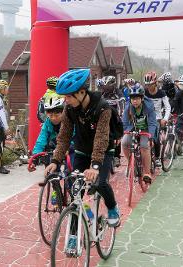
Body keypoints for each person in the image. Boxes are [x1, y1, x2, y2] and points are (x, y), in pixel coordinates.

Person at [44, 69, 120, 230]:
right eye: (64, 96)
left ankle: (112, 207)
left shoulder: (102, 108)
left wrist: (95, 166)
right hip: (81, 149)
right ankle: (74, 232)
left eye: (69, 96)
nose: (66, 100)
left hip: (103, 151)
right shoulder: (70, 109)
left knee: (99, 182)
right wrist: (56, 160)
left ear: (82, 92)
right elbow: (64, 136)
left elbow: (101, 138)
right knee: (75, 191)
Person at [121, 83, 157, 183]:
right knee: (124, 142)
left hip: (146, 129)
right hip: (133, 128)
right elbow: (124, 121)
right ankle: (131, 163)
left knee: (144, 146)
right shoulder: (128, 106)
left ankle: (147, 173)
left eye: (137, 98)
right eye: (132, 99)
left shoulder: (149, 107)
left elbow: (153, 123)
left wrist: (151, 136)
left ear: (142, 98)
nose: (135, 101)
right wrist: (123, 132)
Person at [144, 71, 171, 167]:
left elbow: (168, 107)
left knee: (155, 138)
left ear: (155, 83)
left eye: (150, 84)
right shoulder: (144, 92)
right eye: (147, 85)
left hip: (157, 118)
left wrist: (165, 118)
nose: (148, 87)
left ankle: (157, 157)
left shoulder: (161, 93)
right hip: (145, 117)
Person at [97, 76, 124, 167]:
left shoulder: (118, 93)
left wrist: (119, 116)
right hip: (104, 117)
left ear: (112, 85)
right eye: (104, 86)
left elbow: (121, 107)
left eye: (107, 86)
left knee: (116, 136)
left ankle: (117, 157)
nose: (105, 88)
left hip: (115, 117)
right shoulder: (103, 94)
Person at [174, 74, 183, 144]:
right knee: (177, 129)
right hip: (182, 117)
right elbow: (175, 105)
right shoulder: (178, 94)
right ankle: (179, 143)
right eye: (181, 84)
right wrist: (174, 114)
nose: (182, 85)